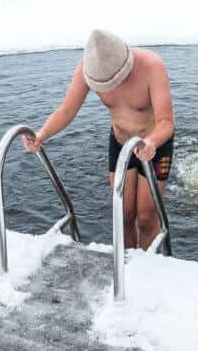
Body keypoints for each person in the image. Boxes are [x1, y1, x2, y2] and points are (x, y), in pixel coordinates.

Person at [24, 29, 175, 249]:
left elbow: (166, 122)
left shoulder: (152, 66)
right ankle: (127, 262)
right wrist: (41, 134)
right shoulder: (87, 69)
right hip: (120, 143)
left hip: (154, 144)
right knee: (123, 214)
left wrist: (151, 142)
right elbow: (66, 111)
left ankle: (148, 266)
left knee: (145, 216)